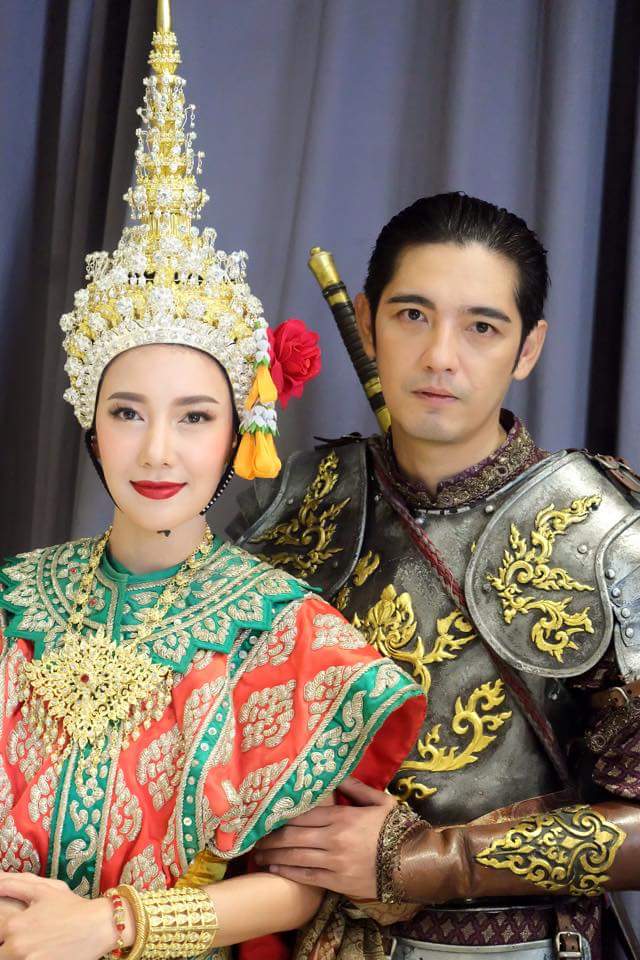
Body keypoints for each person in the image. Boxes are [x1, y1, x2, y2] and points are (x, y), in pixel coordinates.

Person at [0, 8, 426, 960]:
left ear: (241, 431)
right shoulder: (13, 599)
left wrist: (109, 925)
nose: (158, 451)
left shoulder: (288, 631)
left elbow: (299, 887)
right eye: (128, 412)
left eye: (194, 417)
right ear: (91, 423)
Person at [233, 192, 640, 960]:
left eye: (481, 327)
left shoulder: (604, 530)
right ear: (365, 322)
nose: (440, 356)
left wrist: (424, 859)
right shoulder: (300, 499)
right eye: (413, 315)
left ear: (528, 348)